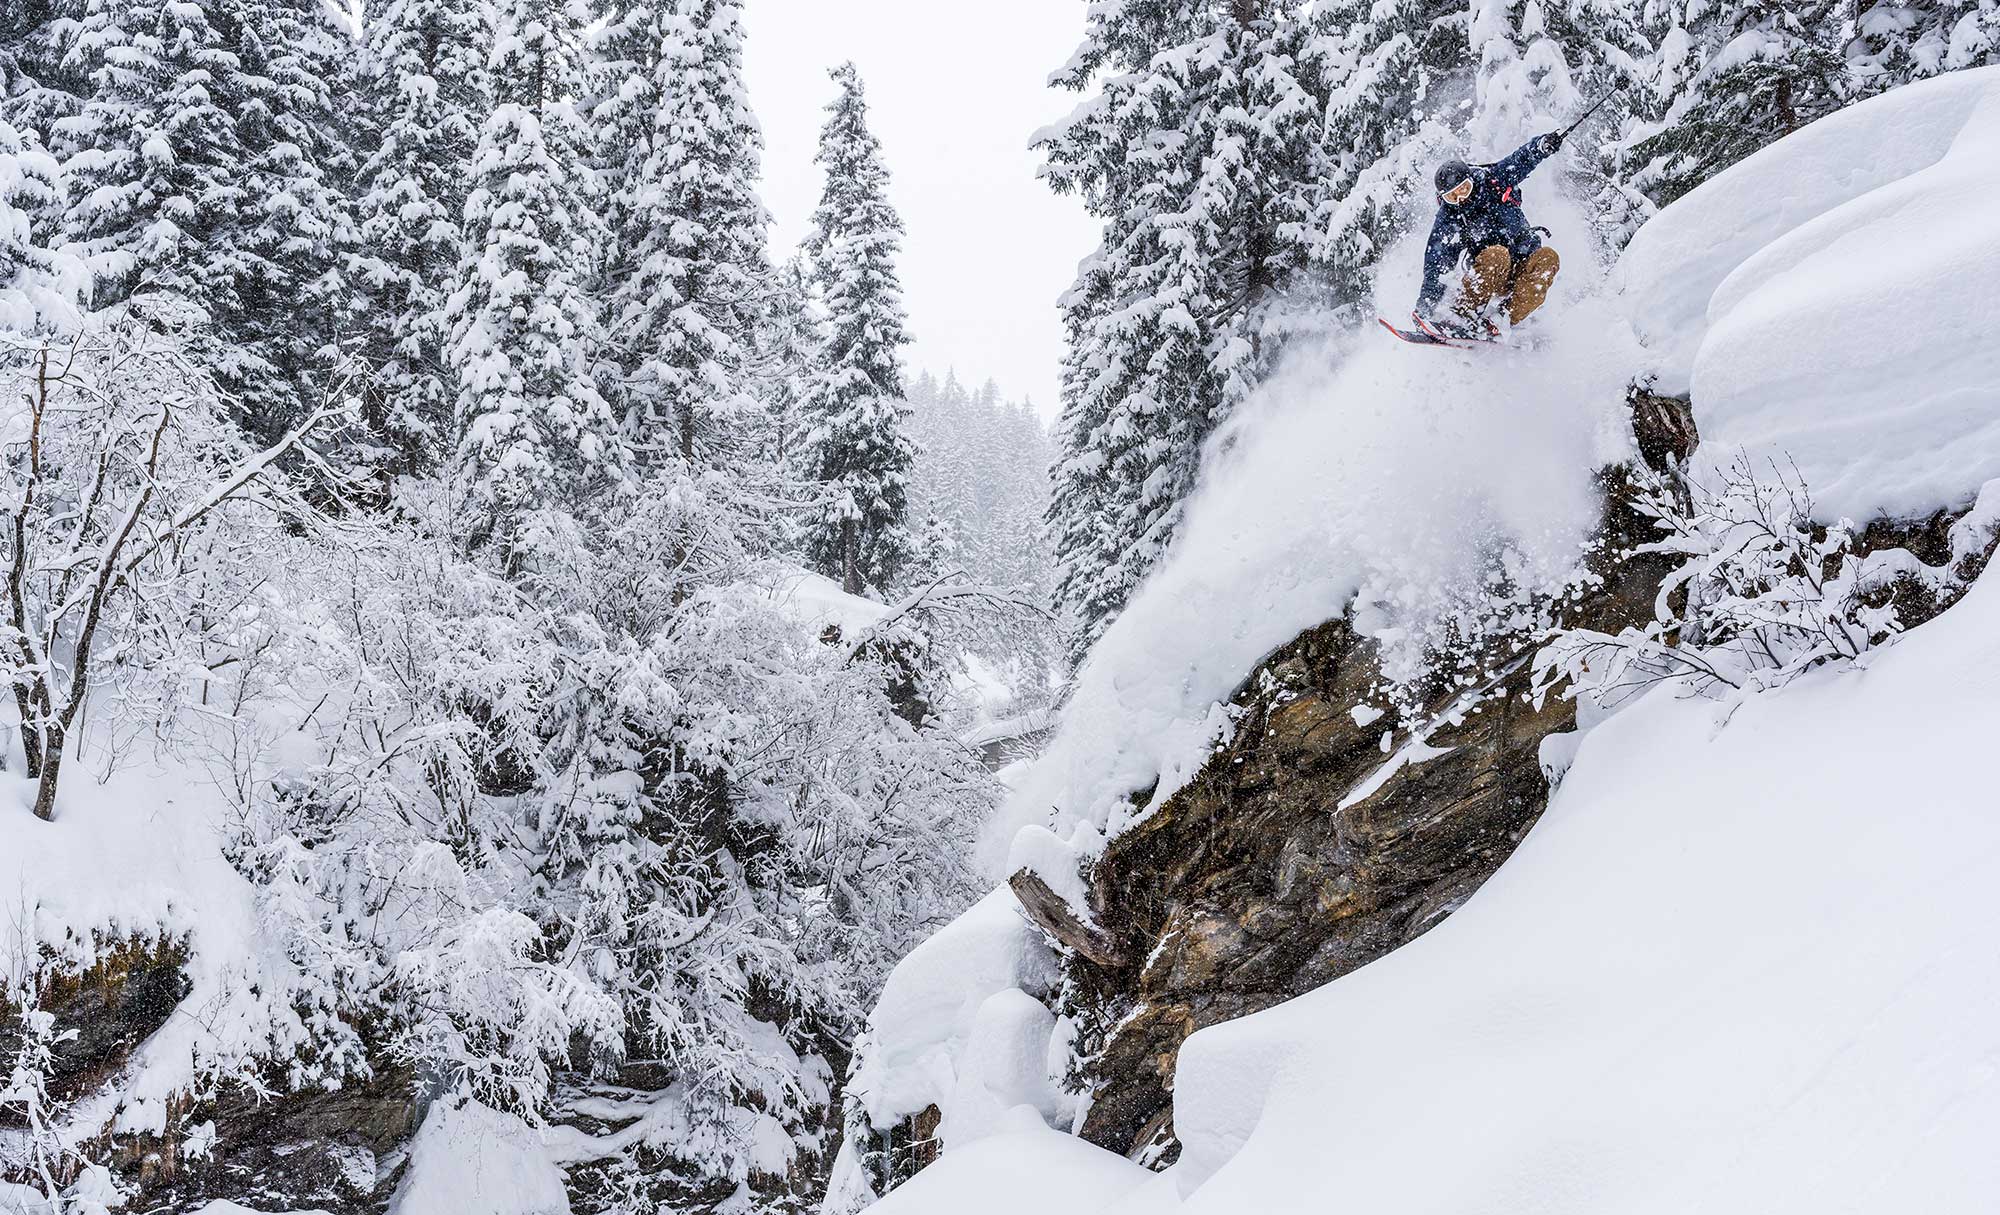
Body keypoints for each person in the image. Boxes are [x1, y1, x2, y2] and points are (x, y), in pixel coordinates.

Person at [1414, 131, 1566, 338]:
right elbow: (1437, 262)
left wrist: (1541, 146)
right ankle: (1462, 315)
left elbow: (1520, 160)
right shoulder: (1450, 216)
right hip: (1491, 271)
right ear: (1443, 199)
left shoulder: (1493, 181)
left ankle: (1502, 319)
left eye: (1464, 189)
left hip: (1523, 263)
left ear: (1471, 181)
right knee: (1497, 254)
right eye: (1452, 196)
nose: (1460, 199)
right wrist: (1425, 309)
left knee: (1549, 257)